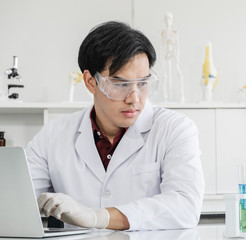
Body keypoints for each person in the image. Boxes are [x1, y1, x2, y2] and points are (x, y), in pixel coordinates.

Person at [26, 21, 204, 231]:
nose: (134, 98)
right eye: (120, 84)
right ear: (90, 81)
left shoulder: (174, 129)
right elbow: (16, 199)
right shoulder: (53, 135)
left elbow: (184, 206)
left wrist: (97, 217)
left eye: (143, 83)